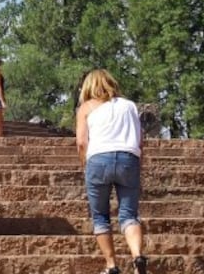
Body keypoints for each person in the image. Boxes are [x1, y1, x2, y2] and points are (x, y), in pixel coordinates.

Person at [75, 69, 147, 274]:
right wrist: (139, 162)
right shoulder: (129, 105)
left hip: (98, 159)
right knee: (129, 215)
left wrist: (85, 164)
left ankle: (111, 266)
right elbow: (141, 140)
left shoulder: (86, 107)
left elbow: (81, 142)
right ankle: (137, 256)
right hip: (128, 158)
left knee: (100, 217)